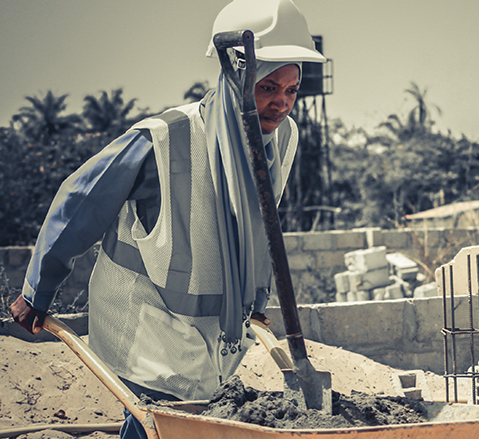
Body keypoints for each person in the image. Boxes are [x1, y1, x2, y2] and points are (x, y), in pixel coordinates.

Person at [10, 0, 325, 437]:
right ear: (235, 73)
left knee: (174, 423)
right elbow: (81, 202)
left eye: (291, 89)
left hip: (213, 331)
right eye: (268, 86)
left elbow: (255, 225)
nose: (281, 103)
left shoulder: (281, 137)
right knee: (158, 419)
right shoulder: (167, 138)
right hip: (146, 319)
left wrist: (254, 298)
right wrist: (38, 291)